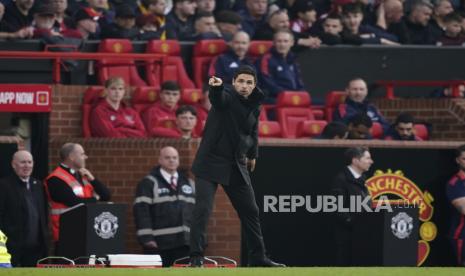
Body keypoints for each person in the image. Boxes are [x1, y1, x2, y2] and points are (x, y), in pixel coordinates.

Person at [189, 66, 285, 267]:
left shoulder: (255, 102)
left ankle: (258, 258)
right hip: (210, 162)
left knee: (251, 211)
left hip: (235, 163)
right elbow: (218, 99)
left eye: (249, 82)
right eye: (241, 81)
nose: (245, 86)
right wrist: (216, 88)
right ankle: (196, 257)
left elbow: (253, 131)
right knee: (203, 210)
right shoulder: (226, 96)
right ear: (234, 82)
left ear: (254, 85)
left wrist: (253, 154)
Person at [133, 146, 195, 267]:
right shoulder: (149, 183)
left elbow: (197, 213)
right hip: (159, 244)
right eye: (167, 158)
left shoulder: (189, 183)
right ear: (160, 160)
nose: (171, 160)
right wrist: (146, 238)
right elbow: (141, 212)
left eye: (174, 158)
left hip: (185, 243)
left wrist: (199, 239)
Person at [45, 143, 111, 244]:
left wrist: (93, 179)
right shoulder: (55, 179)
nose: (86, 157)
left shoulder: (84, 176)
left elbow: (106, 196)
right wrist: (96, 199)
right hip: (67, 235)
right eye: (82, 154)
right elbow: (74, 202)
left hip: (87, 232)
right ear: (71, 157)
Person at [0, 150, 49, 267]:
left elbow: (43, 214)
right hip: (12, 248)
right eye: (23, 162)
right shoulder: (4, 186)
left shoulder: (38, 184)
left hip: (36, 248)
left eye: (29, 162)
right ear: (13, 164)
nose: (27, 166)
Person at [332, 146, 374, 266]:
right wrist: (354, 222)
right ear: (355, 161)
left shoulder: (362, 179)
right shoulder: (341, 180)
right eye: (367, 158)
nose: (371, 161)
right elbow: (337, 207)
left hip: (362, 234)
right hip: (348, 236)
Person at [256, 29, 305, 104]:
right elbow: (267, 83)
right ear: (274, 43)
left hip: (293, 96)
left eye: (285, 41)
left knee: (323, 102)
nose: (282, 44)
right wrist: (286, 94)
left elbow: (299, 81)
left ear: (291, 43)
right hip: (275, 97)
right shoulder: (266, 59)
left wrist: (301, 94)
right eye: (279, 41)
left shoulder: (293, 59)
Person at [446, 145, 465, 266]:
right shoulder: (454, 183)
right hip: (462, 236)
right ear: (458, 160)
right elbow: (464, 209)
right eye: (464, 158)